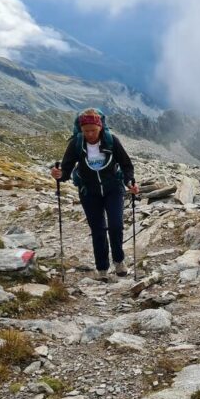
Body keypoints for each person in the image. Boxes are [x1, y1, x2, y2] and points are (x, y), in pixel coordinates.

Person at [50, 108, 140, 281]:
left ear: (100, 128)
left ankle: (119, 260)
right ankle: (102, 269)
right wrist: (58, 175)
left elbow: (126, 165)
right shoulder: (77, 143)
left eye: (93, 130)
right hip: (89, 191)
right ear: (81, 130)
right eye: (86, 131)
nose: (90, 134)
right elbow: (66, 171)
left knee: (116, 225)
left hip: (113, 188)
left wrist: (130, 182)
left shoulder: (111, 141)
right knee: (98, 230)